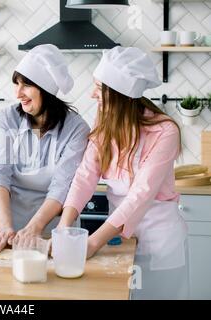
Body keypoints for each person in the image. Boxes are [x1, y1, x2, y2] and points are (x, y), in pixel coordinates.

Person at [58, 46, 188, 299]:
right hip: (120, 239)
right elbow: (85, 176)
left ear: (119, 94)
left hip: (158, 241)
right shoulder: (105, 125)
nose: (92, 94)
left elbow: (141, 194)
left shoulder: (164, 131)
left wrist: (95, 241)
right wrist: (64, 227)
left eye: (99, 88)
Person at [0, 44, 90, 253]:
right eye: (16, 84)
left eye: (26, 85)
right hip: (7, 228)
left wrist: (35, 228)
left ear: (46, 89)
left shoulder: (76, 129)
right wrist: (5, 225)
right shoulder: (6, 118)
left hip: (51, 230)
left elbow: (62, 186)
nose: (18, 93)